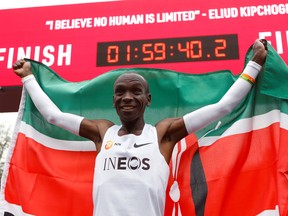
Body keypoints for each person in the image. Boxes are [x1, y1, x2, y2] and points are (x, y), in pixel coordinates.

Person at [13, 39, 267, 216]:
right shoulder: (103, 132)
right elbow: (53, 115)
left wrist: (254, 64)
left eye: (136, 91)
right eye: (120, 92)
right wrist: (28, 77)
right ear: (112, 101)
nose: (127, 97)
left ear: (148, 99)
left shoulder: (163, 134)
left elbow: (223, 107)